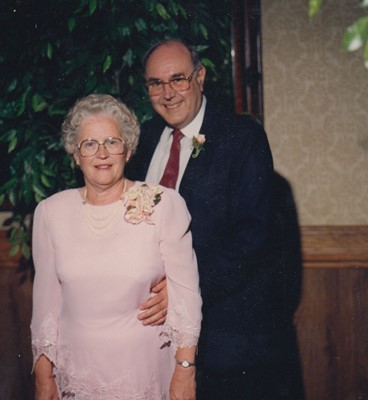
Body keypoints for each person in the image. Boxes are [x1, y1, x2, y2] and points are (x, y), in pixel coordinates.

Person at [126, 39, 304, 399]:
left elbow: (253, 238)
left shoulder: (243, 137)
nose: (167, 93)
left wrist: (181, 289)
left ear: (200, 77)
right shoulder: (143, 140)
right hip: (154, 334)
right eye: (156, 83)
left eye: (178, 79)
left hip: (227, 342)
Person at [30, 93, 202, 400]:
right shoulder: (50, 212)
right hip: (76, 374)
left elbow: (187, 296)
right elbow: (46, 307)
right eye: (89, 144)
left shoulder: (164, 204)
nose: (102, 153)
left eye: (112, 142)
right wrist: (44, 377)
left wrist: (185, 369)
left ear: (128, 150)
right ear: (75, 155)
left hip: (144, 370)